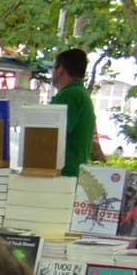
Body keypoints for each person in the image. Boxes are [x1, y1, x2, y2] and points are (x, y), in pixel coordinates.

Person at [50, 48, 96, 178]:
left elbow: (52, 135)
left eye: (53, 68)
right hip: (72, 173)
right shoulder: (80, 93)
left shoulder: (70, 95)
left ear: (60, 70)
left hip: (63, 174)